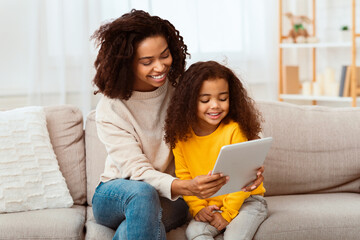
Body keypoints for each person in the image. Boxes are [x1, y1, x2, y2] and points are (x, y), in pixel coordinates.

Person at [91, 9, 265, 240]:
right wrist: (189, 187)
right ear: (126, 64)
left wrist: (250, 165)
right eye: (147, 61)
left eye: (164, 55)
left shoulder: (181, 90)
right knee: (142, 195)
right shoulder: (111, 107)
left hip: (170, 198)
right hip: (118, 193)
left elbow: (234, 120)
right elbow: (137, 172)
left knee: (138, 225)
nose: (160, 67)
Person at [164, 61, 268, 240]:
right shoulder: (181, 137)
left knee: (235, 236)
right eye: (205, 100)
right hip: (210, 205)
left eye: (222, 98)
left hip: (247, 201)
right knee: (195, 232)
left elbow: (242, 178)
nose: (215, 106)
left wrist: (227, 214)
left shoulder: (235, 130)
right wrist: (198, 208)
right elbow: (184, 176)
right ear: (189, 102)